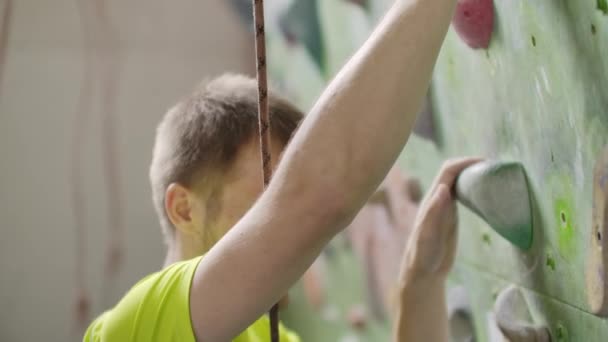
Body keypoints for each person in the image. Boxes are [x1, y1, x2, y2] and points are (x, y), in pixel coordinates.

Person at [84, 0, 480, 340]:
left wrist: (421, 283)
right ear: (185, 209)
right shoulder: (133, 329)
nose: (281, 226)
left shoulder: (268, 335)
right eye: (268, 199)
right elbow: (317, 199)